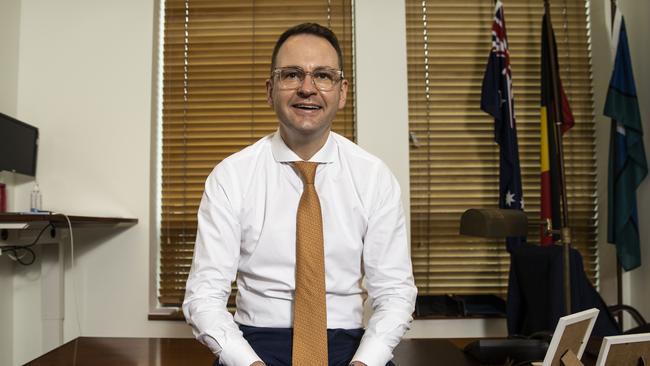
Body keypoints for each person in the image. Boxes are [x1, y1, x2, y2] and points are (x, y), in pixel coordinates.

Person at [183, 23, 417, 366]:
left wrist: (366, 361)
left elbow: (395, 292)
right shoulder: (231, 176)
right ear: (269, 90)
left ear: (342, 91)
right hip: (253, 344)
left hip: (351, 347)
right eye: (292, 74)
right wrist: (247, 362)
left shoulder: (374, 177)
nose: (307, 89)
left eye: (323, 75)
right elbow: (203, 296)